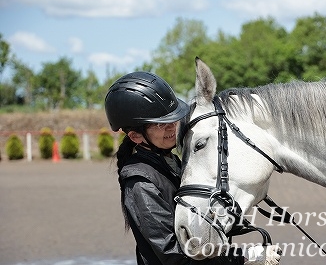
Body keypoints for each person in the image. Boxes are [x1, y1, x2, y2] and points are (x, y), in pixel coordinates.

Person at [104, 71, 281, 265]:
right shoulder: (140, 181)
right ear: (136, 136)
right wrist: (242, 258)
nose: (171, 127)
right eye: (159, 124)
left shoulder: (172, 163)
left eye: (171, 119)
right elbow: (173, 256)